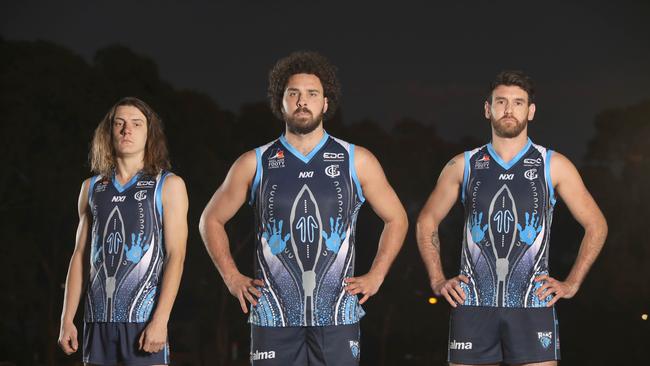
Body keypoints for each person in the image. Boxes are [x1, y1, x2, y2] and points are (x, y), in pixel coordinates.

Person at [200, 51, 408, 366]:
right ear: (280, 103)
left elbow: (397, 218)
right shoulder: (254, 162)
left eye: (312, 94)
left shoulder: (357, 160)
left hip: (337, 313)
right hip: (273, 315)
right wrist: (231, 277)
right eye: (293, 94)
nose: (302, 101)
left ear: (325, 103)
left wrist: (377, 275)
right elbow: (210, 220)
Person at [416, 71, 608, 365]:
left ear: (530, 111)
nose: (509, 109)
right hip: (473, 303)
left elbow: (596, 224)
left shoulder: (553, 165)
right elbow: (426, 220)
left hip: (532, 303)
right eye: (501, 102)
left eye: (518, 103)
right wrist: (438, 279)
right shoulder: (463, 164)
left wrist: (572, 283)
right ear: (487, 109)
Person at [57, 97, 188, 365]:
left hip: (143, 321)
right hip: (97, 322)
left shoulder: (168, 185)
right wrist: (66, 319)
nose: (127, 130)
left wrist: (160, 319)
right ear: (109, 132)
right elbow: (81, 255)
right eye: (120, 123)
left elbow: (176, 256)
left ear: (149, 133)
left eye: (136, 124)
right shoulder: (91, 188)